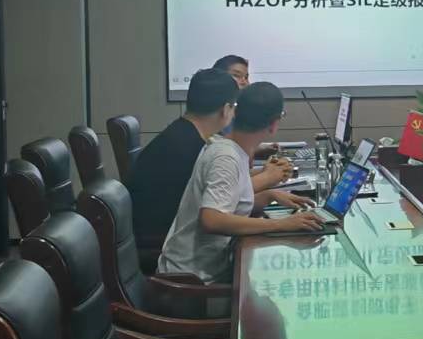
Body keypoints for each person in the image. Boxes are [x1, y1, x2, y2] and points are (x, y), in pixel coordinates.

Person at [158, 81, 322, 283]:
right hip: (192, 283)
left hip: (207, 271)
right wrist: (281, 224)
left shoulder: (228, 148)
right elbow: (212, 219)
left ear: (235, 112)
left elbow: (231, 203)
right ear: (274, 124)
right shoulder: (226, 158)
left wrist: (269, 196)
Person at [128, 68, 289, 266]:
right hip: (169, 252)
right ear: (227, 110)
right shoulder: (192, 147)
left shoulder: (188, 137)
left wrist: (268, 192)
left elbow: (223, 190)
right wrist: (279, 221)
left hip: (167, 242)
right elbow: (213, 215)